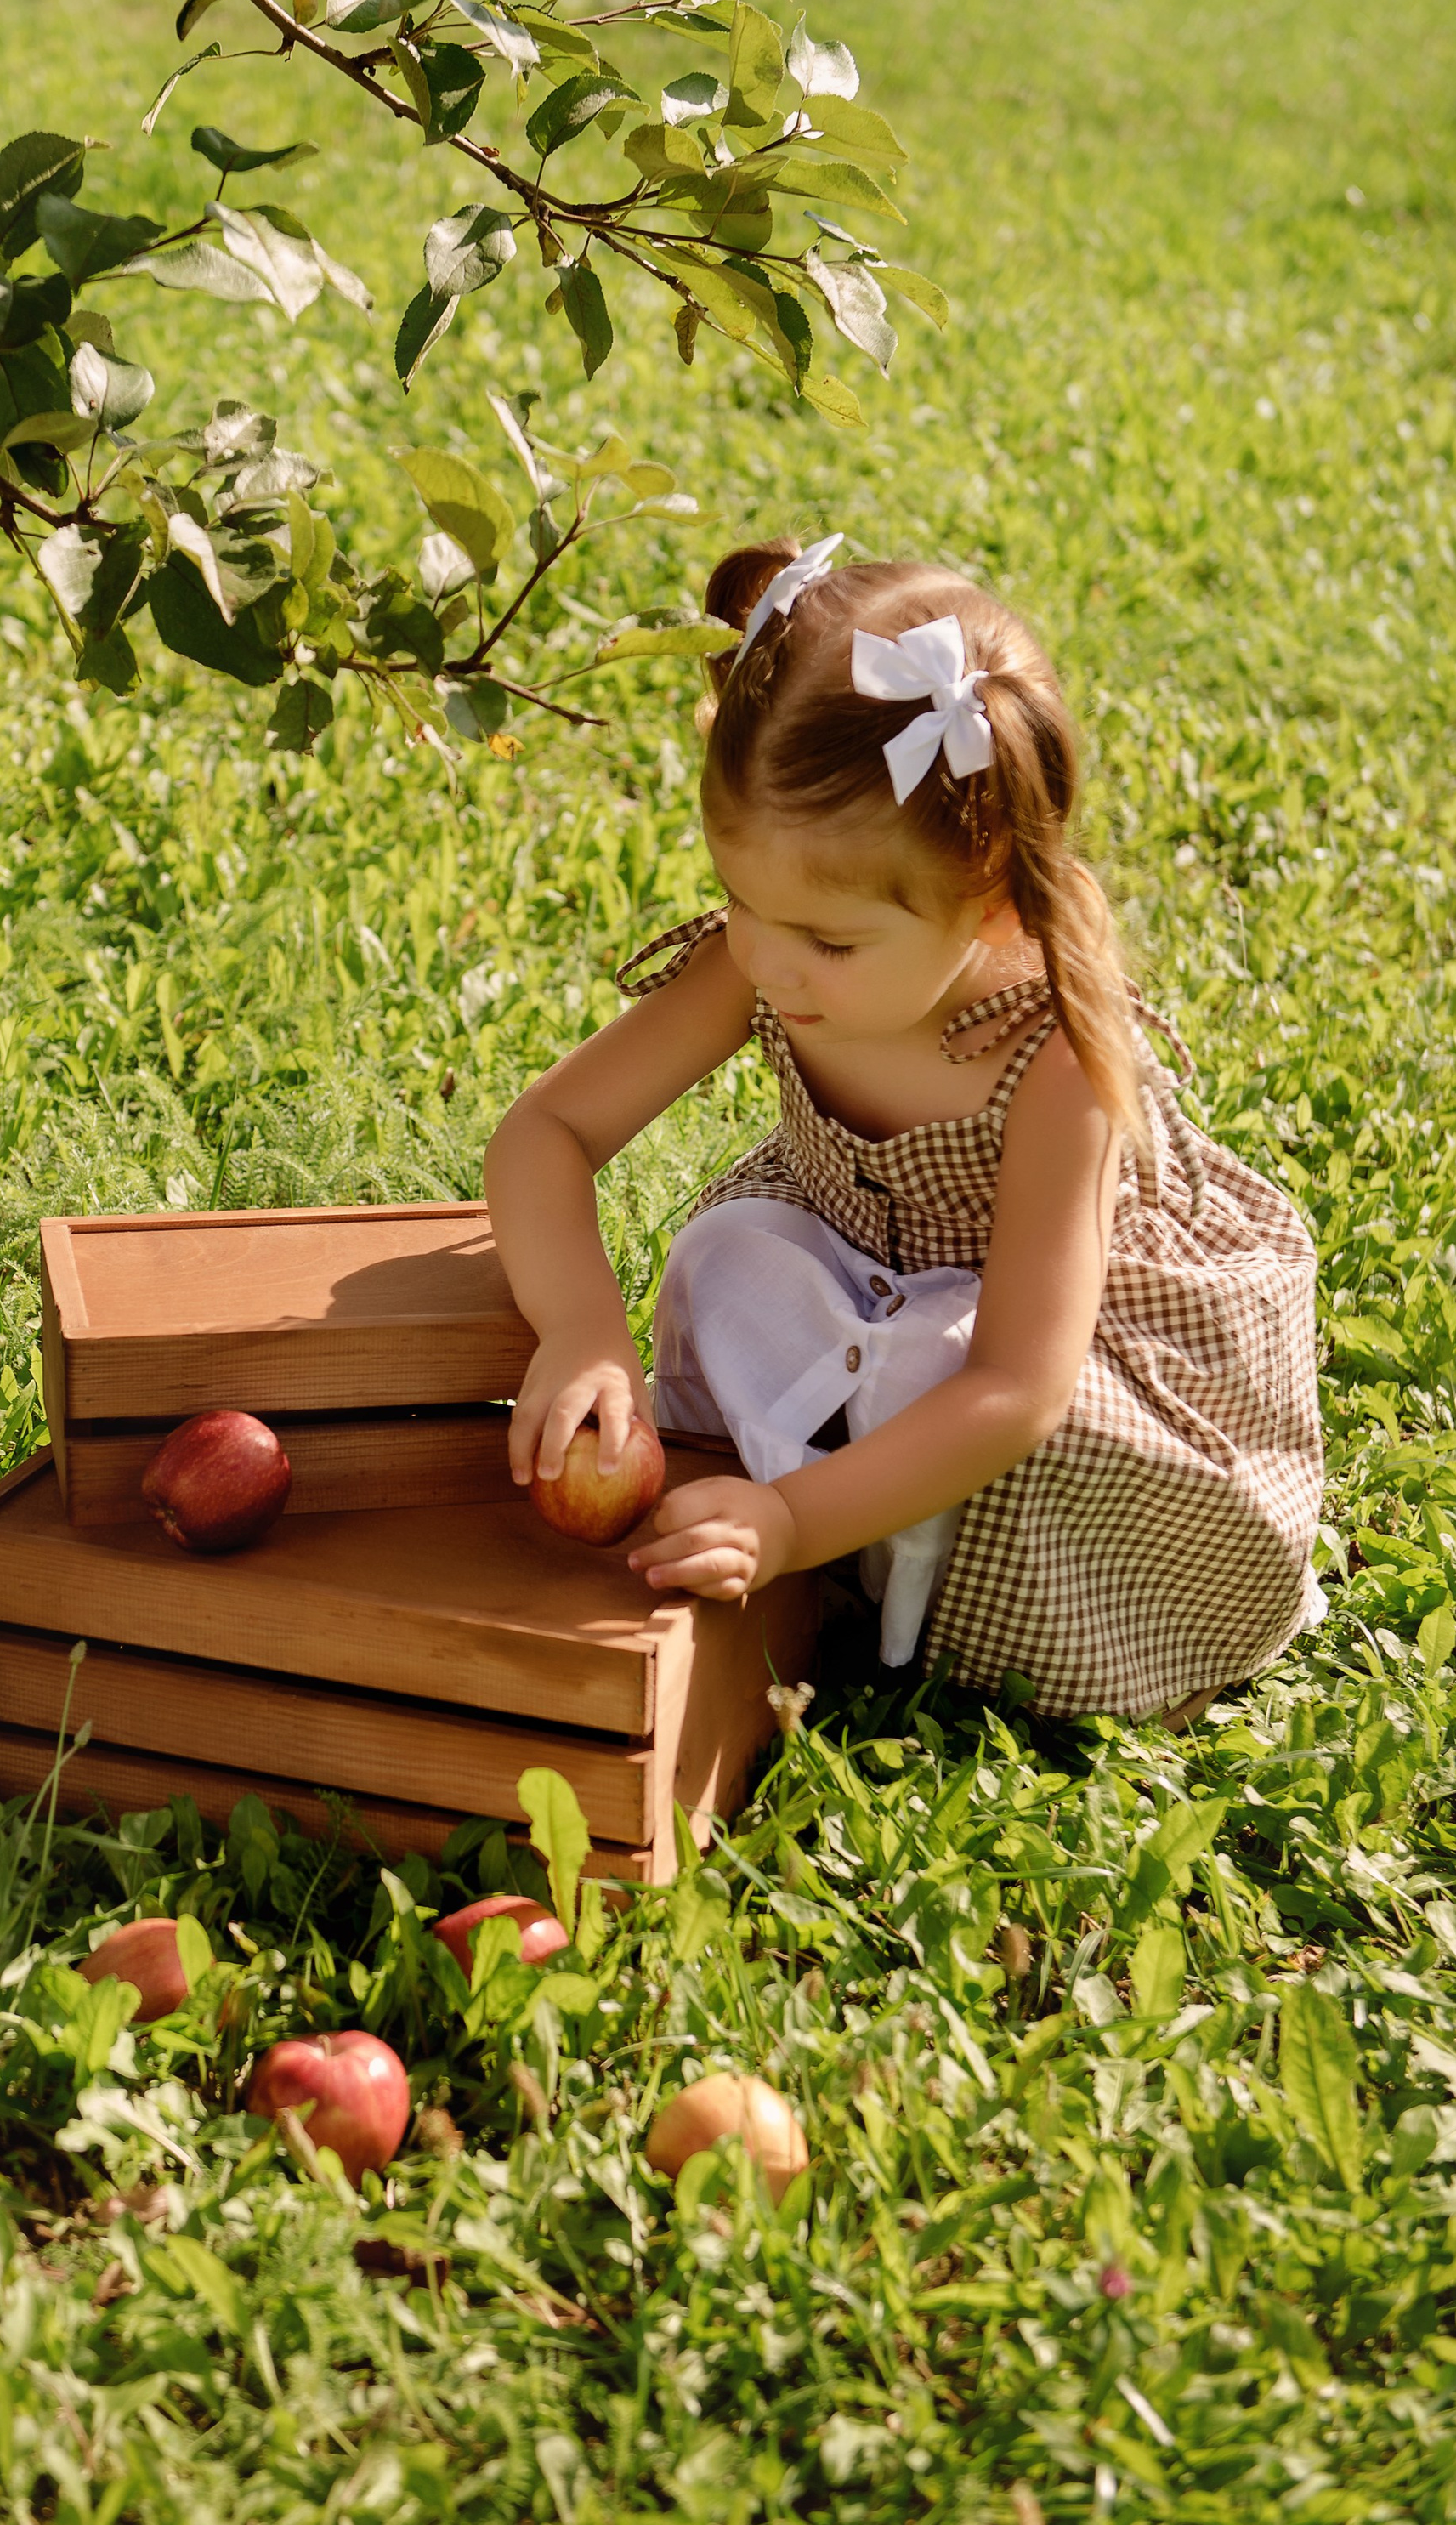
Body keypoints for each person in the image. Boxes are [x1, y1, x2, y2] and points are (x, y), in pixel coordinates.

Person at [484, 535, 1324, 1725]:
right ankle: (825, 1519)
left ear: (986, 898)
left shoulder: (1056, 1062)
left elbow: (1015, 1388)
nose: (769, 962)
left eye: (829, 942)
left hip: (1035, 1341)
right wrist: (581, 1330)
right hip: (856, 1279)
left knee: (1041, 1449)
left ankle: (861, 1559)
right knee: (726, 1262)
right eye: (739, 904)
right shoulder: (770, 951)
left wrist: (792, 1519)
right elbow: (548, 1133)